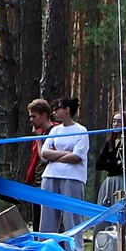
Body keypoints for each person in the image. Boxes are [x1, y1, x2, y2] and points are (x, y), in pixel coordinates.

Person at [38, 96, 92, 233]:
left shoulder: (81, 130)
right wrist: (64, 153)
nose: (54, 113)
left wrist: (55, 155)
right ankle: (46, 249)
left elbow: (77, 157)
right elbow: (44, 153)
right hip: (51, 175)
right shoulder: (55, 130)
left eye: (57, 109)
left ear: (67, 110)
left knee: (72, 217)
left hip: (72, 177)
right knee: (47, 217)